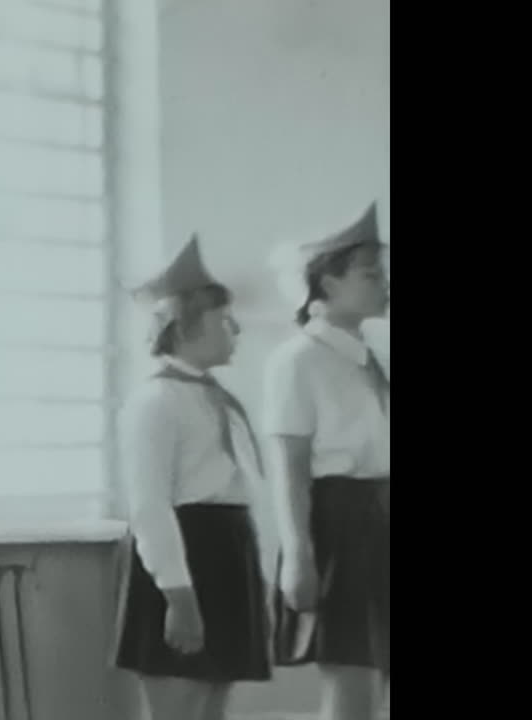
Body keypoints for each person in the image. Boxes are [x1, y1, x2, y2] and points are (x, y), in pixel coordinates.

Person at [111, 235, 272, 720]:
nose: (236, 331)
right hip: (185, 558)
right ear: (185, 326)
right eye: (225, 321)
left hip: (227, 554)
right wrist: (177, 596)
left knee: (213, 707)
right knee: (179, 706)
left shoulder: (217, 399)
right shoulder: (155, 402)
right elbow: (150, 506)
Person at [263, 203, 390, 720]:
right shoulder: (297, 360)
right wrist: (298, 554)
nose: (384, 284)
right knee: (352, 678)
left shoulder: (368, 353)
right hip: (340, 525)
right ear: (327, 285)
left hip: (381, 516)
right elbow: (289, 466)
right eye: (370, 275)